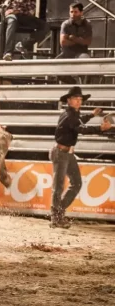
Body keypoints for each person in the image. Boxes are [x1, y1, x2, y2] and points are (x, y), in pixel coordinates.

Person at [49, 86, 111, 229]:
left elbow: (78, 123)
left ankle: (58, 213)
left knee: (72, 184)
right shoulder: (71, 116)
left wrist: (91, 115)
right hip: (62, 153)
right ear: (69, 100)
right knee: (62, 186)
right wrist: (100, 129)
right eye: (76, 99)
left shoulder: (71, 114)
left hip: (65, 153)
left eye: (80, 99)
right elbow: (81, 128)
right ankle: (56, 217)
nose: (78, 101)